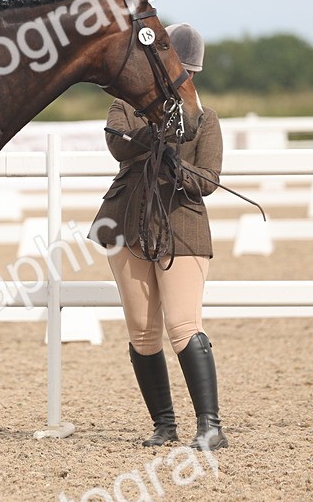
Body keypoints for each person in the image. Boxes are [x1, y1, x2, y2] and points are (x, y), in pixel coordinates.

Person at [90, 23, 228, 450]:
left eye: (186, 73)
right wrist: (155, 136)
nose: (180, 80)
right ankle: (164, 425)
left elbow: (208, 180)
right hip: (128, 220)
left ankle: (210, 425)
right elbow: (118, 144)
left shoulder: (205, 119)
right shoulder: (126, 106)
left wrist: (175, 166)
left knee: (183, 324)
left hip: (181, 223)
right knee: (142, 332)